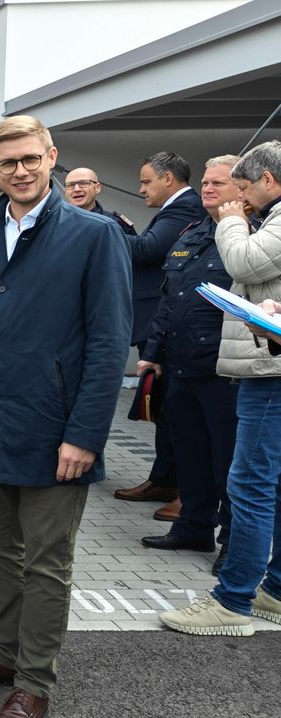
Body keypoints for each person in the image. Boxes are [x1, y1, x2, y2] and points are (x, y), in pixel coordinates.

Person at [0, 116, 131, 718]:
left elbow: (108, 343)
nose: (18, 171)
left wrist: (85, 434)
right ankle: (5, 652)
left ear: (51, 157)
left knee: (46, 562)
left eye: (29, 159)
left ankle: (35, 681)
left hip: (53, 429)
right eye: (7, 162)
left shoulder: (94, 236)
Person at [160, 139, 281, 637]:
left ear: (268, 180)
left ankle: (232, 600)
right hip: (265, 363)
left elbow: (245, 263)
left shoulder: (266, 219)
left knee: (250, 485)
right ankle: (274, 590)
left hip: (270, 374)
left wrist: (231, 220)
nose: (241, 197)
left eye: (245, 187)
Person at [135, 156, 243, 575]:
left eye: (218, 183)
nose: (208, 188)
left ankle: (233, 541)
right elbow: (170, 298)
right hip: (180, 364)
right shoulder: (194, 232)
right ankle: (193, 526)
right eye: (205, 181)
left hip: (223, 368)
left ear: (242, 189)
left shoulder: (246, 237)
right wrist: (152, 352)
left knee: (228, 462)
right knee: (190, 454)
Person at [116, 153, 206, 515]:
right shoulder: (177, 210)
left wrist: (110, 229)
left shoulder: (183, 209)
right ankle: (164, 478)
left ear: (168, 179)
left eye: (146, 181)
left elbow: (147, 250)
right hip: (164, 319)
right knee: (163, 407)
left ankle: (185, 491)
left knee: (173, 410)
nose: (140, 189)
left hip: (174, 324)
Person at [62, 167, 136, 235]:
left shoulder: (115, 223)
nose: (77, 189)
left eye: (84, 183)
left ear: (97, 188)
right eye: (70, 185)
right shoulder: (56, 221)